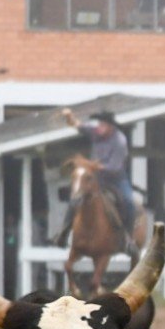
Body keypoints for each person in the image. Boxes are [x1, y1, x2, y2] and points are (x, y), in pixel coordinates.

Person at [55, 107, 140, 252]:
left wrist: (90, 165)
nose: (99, 127)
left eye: (102, 125)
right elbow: (77, 125)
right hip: (97, 177)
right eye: (99, 124)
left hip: (116, 179)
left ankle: (129, 239)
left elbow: (114, 166)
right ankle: (63, 232)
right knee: (77, 196)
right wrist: (69, 116)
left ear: (110, 127)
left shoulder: (119, 140)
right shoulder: (95, 132)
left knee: (128, 202)